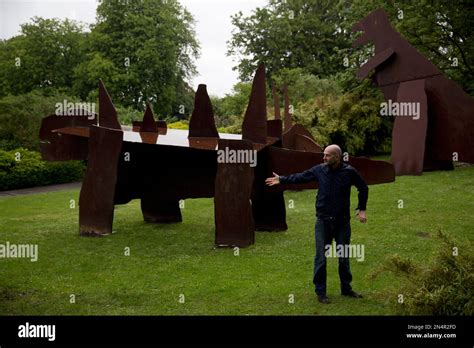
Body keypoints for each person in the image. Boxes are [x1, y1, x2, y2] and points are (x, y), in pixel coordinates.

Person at [265, 144, 368, 304]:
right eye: (324, 155)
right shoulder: (319, 169)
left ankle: (346, 289)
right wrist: (282, 179)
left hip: (342, 223)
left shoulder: (349, 172)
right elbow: (301, 177)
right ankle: (321, 292)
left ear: (336, 157)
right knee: (321, 257)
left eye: (327, 155)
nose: (324, 158)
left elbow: (363, 188)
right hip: (323, 222)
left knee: (343, 257)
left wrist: (362, 209)